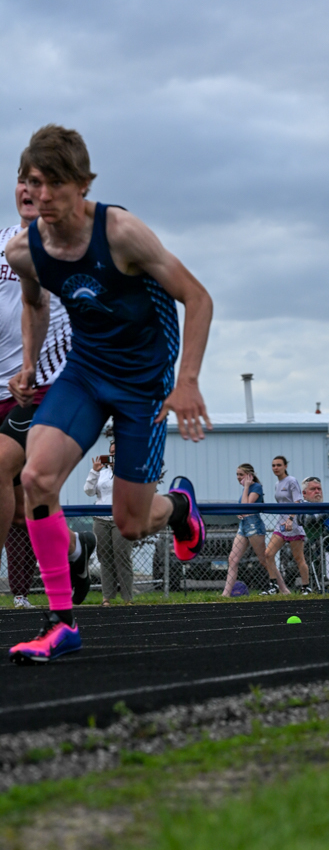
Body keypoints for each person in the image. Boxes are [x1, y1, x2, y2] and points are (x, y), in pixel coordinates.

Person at [6, 124, 213, 663]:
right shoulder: (25, 251)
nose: (42, 196)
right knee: (35, 476)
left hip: (143, 382)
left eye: (54, 184)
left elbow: (197, 296)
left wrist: (186, 380)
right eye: (33, 183)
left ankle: (177, 509)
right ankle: (61, 622)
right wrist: (29, 364)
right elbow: (33, 304)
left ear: (84, 184)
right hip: (85, 370)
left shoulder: (120, 232)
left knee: (130, 522)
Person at [0, 176, 95, 611]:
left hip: (46, 383)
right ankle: (77, 548)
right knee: (22, 510)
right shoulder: (6, 245)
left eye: (43, 184)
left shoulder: (73, 249)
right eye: (25, 182)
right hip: (5, 382)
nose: (31, 193)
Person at [84, 439, 135, 605]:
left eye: (116, 453)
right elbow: (89, 491)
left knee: (122, 557)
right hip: (101, 519)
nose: (113, 456)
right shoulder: (102, 473)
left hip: (122, 520)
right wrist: (94, 472)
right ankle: (107, 597)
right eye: (111, 453)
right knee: (104, 557)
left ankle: (127, 598)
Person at [221, 463, 273, 598]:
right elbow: (243, 508)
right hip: (243, 526)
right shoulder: (247, 488)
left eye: (241, 474)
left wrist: (246, 487)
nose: (238, 477)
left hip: (253, 526)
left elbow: (246, 506)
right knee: (232, 559)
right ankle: (225, 594)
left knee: (263, 559)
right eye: (237, 474)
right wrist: (240, 513)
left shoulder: (256, 487)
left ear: (250, 476)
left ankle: (281, 586)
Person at [262, 455, 310, 595]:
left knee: (298, 558)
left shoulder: (291, 481)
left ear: (285, 466)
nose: (276, 468)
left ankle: (306, 586)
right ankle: (274, 586)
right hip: (281, 526)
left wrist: (290, 519)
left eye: (279, 465)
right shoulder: (277, 484)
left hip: (293, 525)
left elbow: (297, 501)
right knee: (268, 554)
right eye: (273, 465)